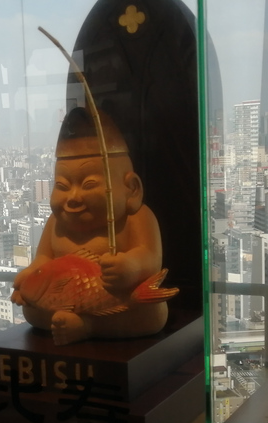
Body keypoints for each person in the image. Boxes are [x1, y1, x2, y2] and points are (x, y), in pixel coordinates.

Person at [12, 107, 169, 345]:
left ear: (131, 189)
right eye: (62, 186)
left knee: (152, 313)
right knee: (33, 310)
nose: (73, 197)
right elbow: (43, 260)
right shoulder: (56, 223)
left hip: (119, 302)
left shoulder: (136, 217)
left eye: (89, 184)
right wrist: (29, 278)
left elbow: (150, 256)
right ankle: (73, 323)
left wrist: (131, 265)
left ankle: (88, 326)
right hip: (59, 303)